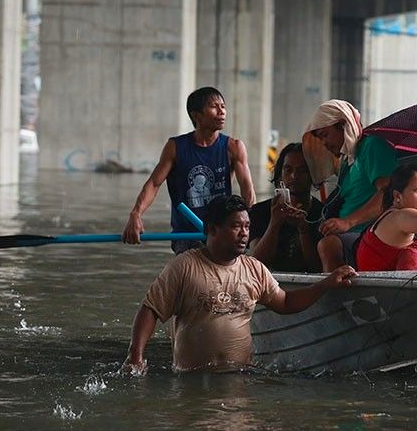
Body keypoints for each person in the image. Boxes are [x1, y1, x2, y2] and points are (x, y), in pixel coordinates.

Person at [121, 195, 356, 374]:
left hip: (240, 377)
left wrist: (326, 283)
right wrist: (136, 356)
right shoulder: (184, 266)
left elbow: (285, 302)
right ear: (212, 229)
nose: (244, 234)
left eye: (247, 227)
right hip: (190, 379)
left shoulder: (253, 268)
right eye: (236, 226)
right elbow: (150, 310)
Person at [122, 86, 256, 254]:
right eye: (214, 106)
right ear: (196, 115)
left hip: (223, 233)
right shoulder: (175, 147)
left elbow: (248, 192)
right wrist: (136, 214)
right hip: (187, 234)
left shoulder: (234, 147)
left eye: (223, 106)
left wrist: (251, 228)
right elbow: (154, 184)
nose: (221, 111)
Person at [301, 99, 398, 271]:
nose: (324, 143)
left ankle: (335, 296)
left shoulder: (371, 147)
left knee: (328, 245)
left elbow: (388, 193)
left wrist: (348, 222)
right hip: (351, 234)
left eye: (325, 135)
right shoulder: (348, 160)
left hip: (371, 232)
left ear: (343, 125)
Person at [248, 142, 323, 272]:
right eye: (288, 170)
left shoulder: (323, 212)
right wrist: (274, 223)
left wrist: (303, 229)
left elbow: (318, 267)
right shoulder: (260, 211)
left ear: (313, 174)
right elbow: (257, 263)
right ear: (280, 173)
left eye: (302, 170)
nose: (294, 176)